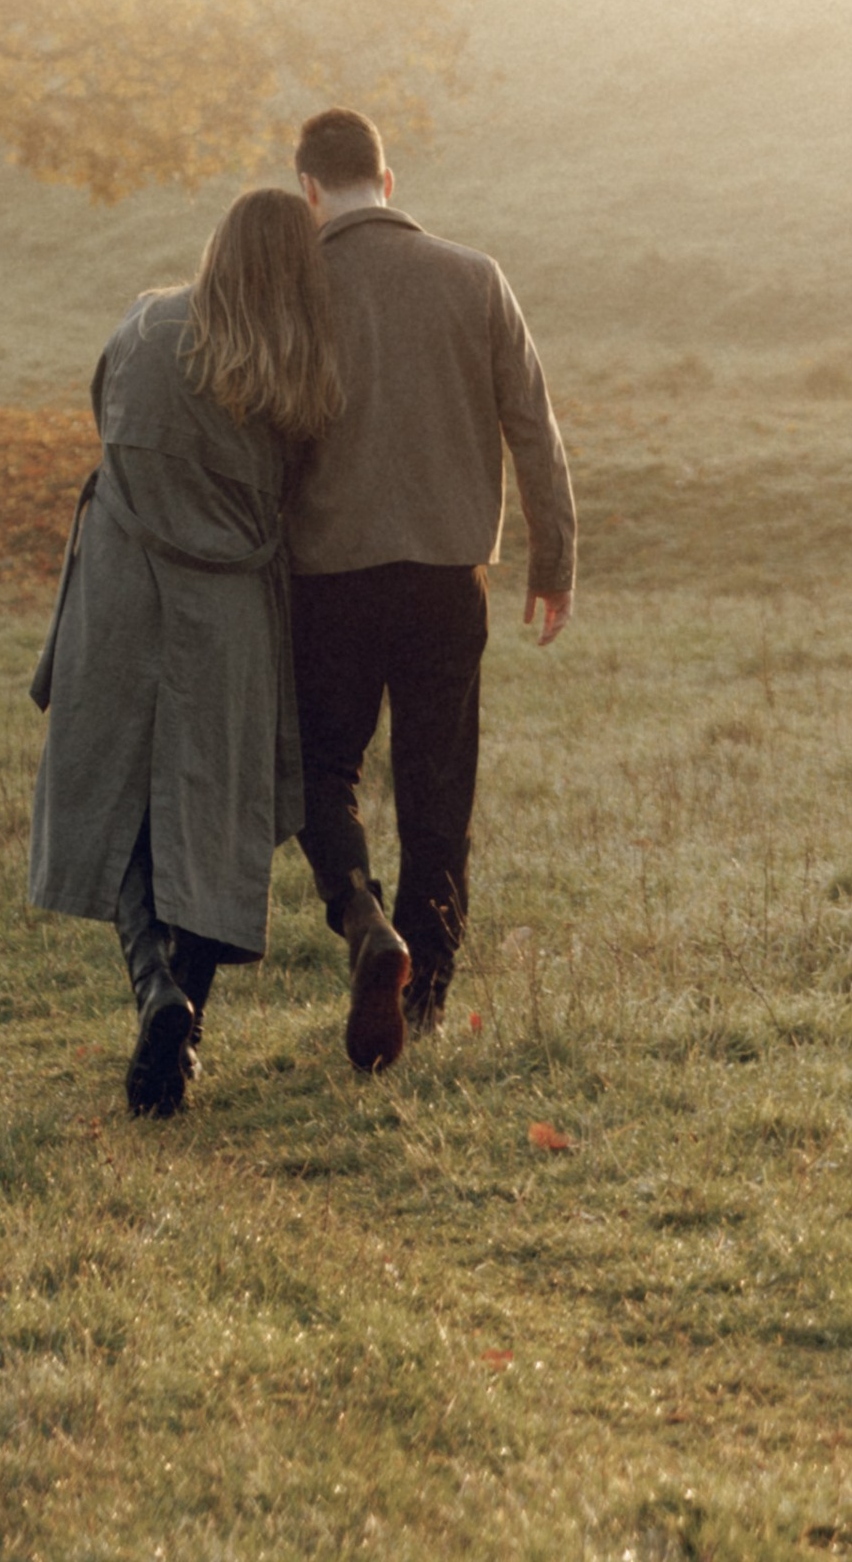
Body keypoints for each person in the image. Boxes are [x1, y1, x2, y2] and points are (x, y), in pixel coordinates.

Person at [28, 187, 343, 1119]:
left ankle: (156, 991)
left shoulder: (145, 324)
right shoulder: (304, 371)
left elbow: (104, 422)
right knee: (217, 809)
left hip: (122, 588)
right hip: (231, 606)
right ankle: (185, 1013)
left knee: (121, 795)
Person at [284, 106, 576, 1070]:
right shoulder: (473, 276)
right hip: (450, 577)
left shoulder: (295, 286)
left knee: (322, 772)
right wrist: (553, 559)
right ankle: (430, 996)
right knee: (436, 784)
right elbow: (531, 424)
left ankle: (364, 919)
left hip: (328, 577)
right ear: (390, 182)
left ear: (309, 191)